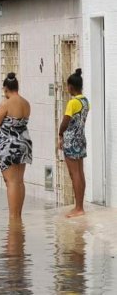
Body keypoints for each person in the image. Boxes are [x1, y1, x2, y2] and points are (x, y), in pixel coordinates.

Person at [0, 72, 32, 219]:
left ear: (5, 89)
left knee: (11, 181)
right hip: (24, 144)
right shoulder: (26, 103)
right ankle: (18, 215)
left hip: (9, 145)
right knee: (19, 180)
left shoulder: (6, 103)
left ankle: (13, 218)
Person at [59, 68, 89, 218]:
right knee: (80, 172)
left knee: (74, 173)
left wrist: (59, 134)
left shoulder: (73, 102)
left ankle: (78, 208)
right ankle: (80, 206)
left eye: (67, 86)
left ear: (71, 86)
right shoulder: (85, 101)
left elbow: (65, 122)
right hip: (81, 140)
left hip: (71, 140)